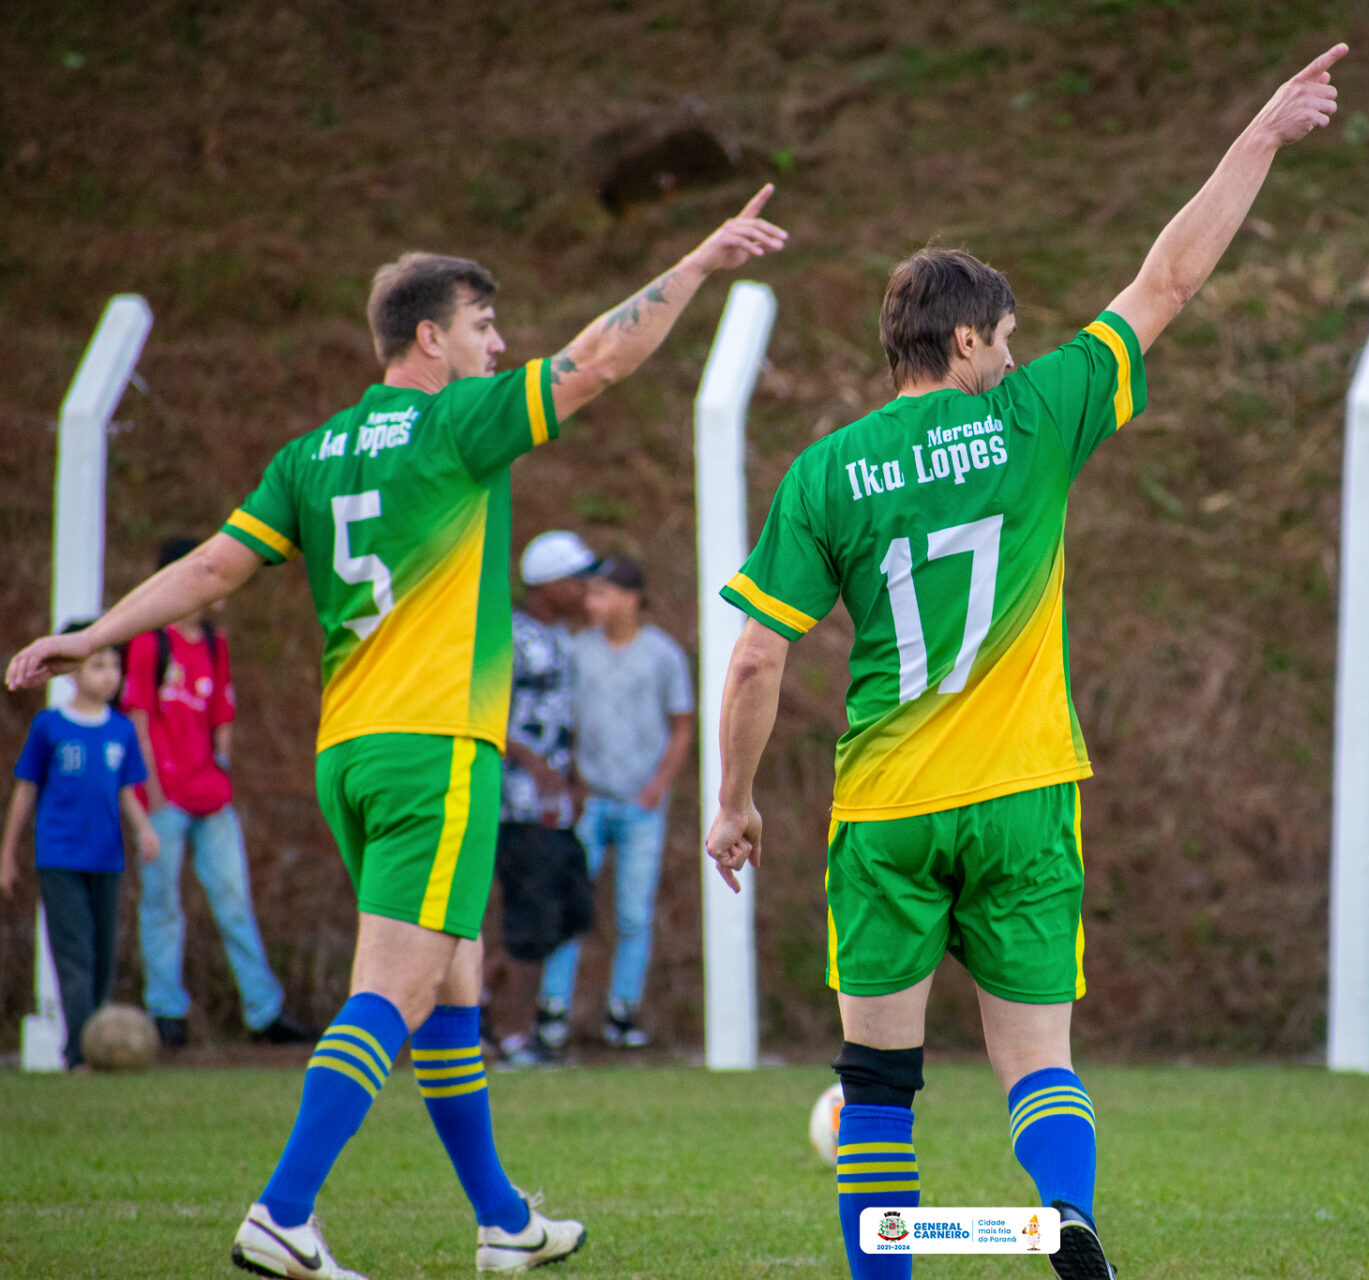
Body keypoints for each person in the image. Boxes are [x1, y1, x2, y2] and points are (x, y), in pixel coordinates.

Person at [6, 187, 785, 1279]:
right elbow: (598, 359)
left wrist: (90, 629)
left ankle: (503, 1219)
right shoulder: (459, 421)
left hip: (352, 753)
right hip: (436, 748)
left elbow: (213, 569)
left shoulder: (313, 454)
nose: (500, 344)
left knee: (453, 982)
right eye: (483, 327)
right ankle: (284, 1208)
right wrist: (696, 262)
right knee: (400, 989)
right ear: (431, 336)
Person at [702, 48, 1344, 1280]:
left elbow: (752, 660)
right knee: (1038, 1066)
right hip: (1023, 790)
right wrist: (1258, 133)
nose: (1013, 353)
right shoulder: (1034, 418)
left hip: (887, 805)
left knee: (878, 1083)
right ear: (959, 338)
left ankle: (894, 1265)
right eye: (1002, 336)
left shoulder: (828, 471)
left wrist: (733, 803)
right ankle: (1064, 1216)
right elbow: (1169, 279)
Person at [125, 537, 312, 1049]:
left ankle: (264, 1013)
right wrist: (153, 792)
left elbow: (222, 717)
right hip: (164, 800)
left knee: (234, 901)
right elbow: (138, 718)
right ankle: (166, 1013)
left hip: (212, 797)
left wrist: (222, 772)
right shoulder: (149, 642)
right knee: (162, 904)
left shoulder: (214, 643)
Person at [540, 554, 694, 1050]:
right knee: (569, 908)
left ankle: (622, 1014)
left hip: (641, 806)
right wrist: (572, 780)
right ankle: (553, 1010)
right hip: (589, 804)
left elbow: (681, 726)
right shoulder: (576, 652)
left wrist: (658, 785)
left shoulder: (662, 655)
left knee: (633, 914)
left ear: (631, 598)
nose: (591, 603)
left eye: (602, 593)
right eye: (589, 594)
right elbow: (561, 724)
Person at [0, 638, 160, 1068]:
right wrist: (7, 852)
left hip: (107, 857)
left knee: (104, 956)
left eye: (115, 666)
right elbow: (26, 789)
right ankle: (78, 1055)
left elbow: (126, 791)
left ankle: (99, 1048)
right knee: (76, 956)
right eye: (97, 665)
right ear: (71, 670)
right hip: (60, 856)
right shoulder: (49, 727)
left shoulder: (121, 729)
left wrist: (144, 829)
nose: (109, 675)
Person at [493, 529, 597, 1069]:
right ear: (546, 582)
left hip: (555, 806)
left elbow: (562, 717)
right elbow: (484, 710)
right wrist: (530, 762)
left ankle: (488, 993)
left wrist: (573, 775)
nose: (584, 588)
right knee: (528, 919)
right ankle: (513, 1034)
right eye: (575, 578)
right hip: (514, 802)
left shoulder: (562, 639)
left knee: (574, 910)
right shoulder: (509, 636)